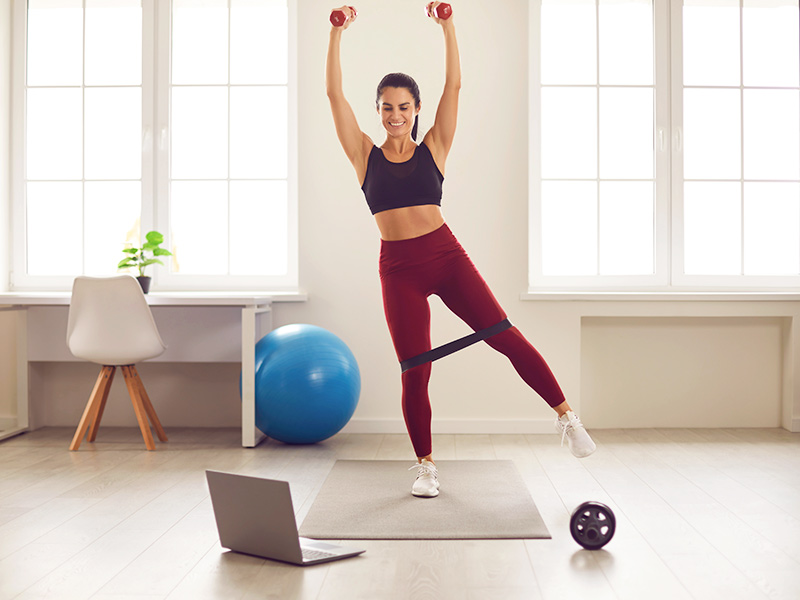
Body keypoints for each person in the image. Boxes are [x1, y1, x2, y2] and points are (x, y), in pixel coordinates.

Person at [325, 3, 596, 498]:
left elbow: (454, 86)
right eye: (387, 106)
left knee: (504, 335)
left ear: (416, 110)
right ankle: (426, 467)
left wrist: (448, 27)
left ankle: (567, 417)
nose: (395, 115)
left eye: (404, 106)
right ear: (378, 111)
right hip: (398, 268)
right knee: (415, 369)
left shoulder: (436, 146)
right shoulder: (364, 155)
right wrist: (337, 33)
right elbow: (332, 94)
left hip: (446, 257)